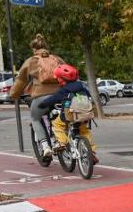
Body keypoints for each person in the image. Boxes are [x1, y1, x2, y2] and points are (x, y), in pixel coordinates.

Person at [9, 34, 65, 162]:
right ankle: (60, 140)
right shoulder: (57, 59)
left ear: (34, 49)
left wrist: (13, 95)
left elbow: (21, 81)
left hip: (42, 96)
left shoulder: (31, 61)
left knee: (35, 117)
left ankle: (46, 147)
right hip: (60, 95)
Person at [37, 64, 96, 159]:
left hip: (70, 115)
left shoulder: (64, 90)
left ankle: (62, 143)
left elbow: (53, 99)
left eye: (58, 78)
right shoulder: (82, 87)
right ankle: (90, 151)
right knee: (84, 130)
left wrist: (42, 104)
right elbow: (90, 97)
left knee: (57, 124)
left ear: (61, 79)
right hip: (85, 115)